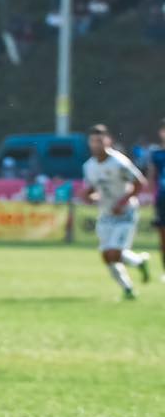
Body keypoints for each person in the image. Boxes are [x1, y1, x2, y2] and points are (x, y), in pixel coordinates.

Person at [83, 123, 151, 299]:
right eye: (93, 141)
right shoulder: (89, 166)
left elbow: (139, 182)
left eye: (99, 141)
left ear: (108, 141)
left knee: (115, 252)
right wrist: (88, 196)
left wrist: (123, 202)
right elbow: (92, 189)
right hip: (105, 214)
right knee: (107, 256)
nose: (96, 145)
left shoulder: (118, 162)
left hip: (125, 213)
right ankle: (129, 284)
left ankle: (137, 265)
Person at [143, 119, 165, 268]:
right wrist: (150, 196)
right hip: (162, 199)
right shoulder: (156, 153)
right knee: (163, 238)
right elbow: (151, 177)